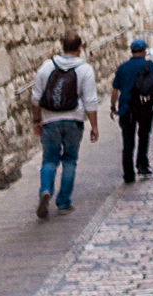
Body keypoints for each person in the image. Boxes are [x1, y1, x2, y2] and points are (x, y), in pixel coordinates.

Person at [32, 33, 100, 218]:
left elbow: (35, 97)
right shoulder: (84, 69)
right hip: (73, 120)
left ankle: (45, 189)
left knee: (49, 160)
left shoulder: (47, 66)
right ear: (80, 48)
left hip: (50, 120)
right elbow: (90, 100)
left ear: (62, 46)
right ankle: (63, 202)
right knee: (69, 160)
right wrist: (94, 126)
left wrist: (36, 120)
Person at [110, 39, 153, 183]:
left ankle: (128, 173)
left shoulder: (122, 67)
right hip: (144, 107)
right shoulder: (148, 65)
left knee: (128, 141)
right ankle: (142, 164)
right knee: (144, 136)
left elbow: (115, 89)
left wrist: (112, 106)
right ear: (144, 50)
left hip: (126, 108)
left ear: (131, 51)